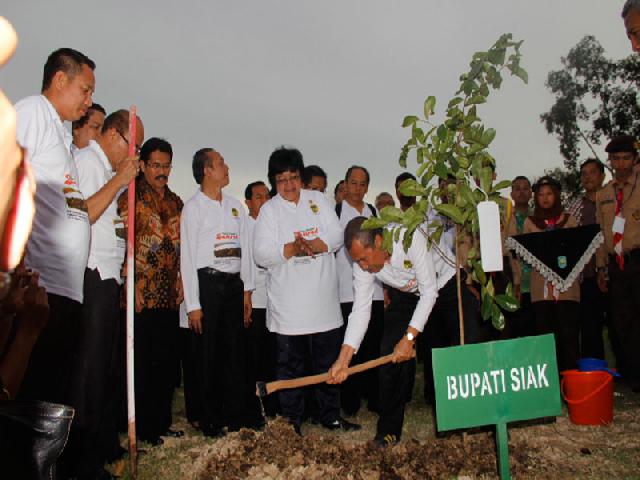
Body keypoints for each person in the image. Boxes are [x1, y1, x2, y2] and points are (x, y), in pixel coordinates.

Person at [253, 146, 359, 435]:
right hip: (289, 308)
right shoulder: (269, 211)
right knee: (291, 368)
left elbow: (337, 234)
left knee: (328, 364)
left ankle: (331, 416)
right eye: (282, 180)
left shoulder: (317, 200)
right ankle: (292, 422)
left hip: (324, 303)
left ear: (301, 177)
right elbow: (260, 253)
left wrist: (317, 245)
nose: (289, 186)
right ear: (274, 182)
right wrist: (290, 249)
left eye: (293, 178)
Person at [15, 48, 95, 408]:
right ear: (60, 80)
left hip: (66, 291)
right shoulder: (32, 112)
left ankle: (48, 466)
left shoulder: (62, 138)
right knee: (30, 395)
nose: (89, 101)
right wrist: (17, 267)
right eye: (86, 89)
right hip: (40, 286)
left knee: (53, 395)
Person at [68, 109, 142, 478]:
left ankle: (93, 453)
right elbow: (81, 213)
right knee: (88, 375)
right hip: (92, 277)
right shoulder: (88, 162)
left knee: (103, 374)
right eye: (135, 146)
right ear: (114, 135)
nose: (136, 158)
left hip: (110, 278)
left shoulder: (107, 171)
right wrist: (119, 183)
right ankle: (78, 461)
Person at [328, 217, 440, 446]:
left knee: (461, 344)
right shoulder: (363, 265)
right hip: (406, 295)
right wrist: (343, 360)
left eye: (364, 259)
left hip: (443, 286)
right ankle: (389, 431)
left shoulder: (409, 238)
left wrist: (409, 338)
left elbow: (430, 292)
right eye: (357, 262)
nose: (364, 267)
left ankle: (483, 422)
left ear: (378, 241)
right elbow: (360, 311)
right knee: (390, 354)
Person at [180, 148, 258, 438]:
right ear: (206, 171)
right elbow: (186, 256)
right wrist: (193, 305)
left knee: (235, 352)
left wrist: (247, 291)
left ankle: (236, 415)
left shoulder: (235, 206)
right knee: (207, 354)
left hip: (233, 286)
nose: (227, 167)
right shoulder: (193, 208)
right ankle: (209, 418)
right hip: (208, 285)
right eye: (221, 163)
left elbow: (246, 251)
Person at [118, 137, 184, 444]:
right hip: (141, 293)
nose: (161, 171)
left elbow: (184, 246)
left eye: (166, 165)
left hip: (169, 294)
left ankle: (161, 422)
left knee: (166, 362)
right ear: (142, 165)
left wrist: (182, 278)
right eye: (156, 164)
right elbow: (121, 244)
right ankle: (142, 427)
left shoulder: (176, 202)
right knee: (141, 363)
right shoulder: (129, 197)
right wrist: (130, 282)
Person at [510, 176, 580, 372]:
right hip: (541, 290)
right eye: (540, 194)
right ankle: (550, 382)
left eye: (549, 193)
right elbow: (521, 254)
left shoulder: (569, 220)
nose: (545, 198)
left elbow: (578, 251)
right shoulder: (530, 224)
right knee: (546, 336)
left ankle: (572, 380)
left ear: (557, 196)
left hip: (567, 287)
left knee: (569, 335)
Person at [335, 166, 383, 415]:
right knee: (350, 345)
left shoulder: (372, 212)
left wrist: (385, 291)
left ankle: (374, 399)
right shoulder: (335, 213)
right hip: (345, 291)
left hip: (373, 289)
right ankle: (350, 403)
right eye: (352, 183)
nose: (357, 188)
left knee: (373, 347)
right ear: (345, 184)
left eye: (362, 184)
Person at [596, 136, 640, 391]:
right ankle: (633, 377)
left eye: (626, 158)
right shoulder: (605, 194)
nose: (621, 163)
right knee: (622, 322)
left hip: (638, 258)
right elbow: (602, 234)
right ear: (610, 162)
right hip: (617, 264)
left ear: (634, 160)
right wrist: (602, 268)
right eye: (616, 158)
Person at [244, 180, 279, 416]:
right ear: (248, 202)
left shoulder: (274, 227)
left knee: (272, 358)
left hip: (274, 303)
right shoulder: (245, 226)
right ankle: (252, 408)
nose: (264, 200)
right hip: (254, 303)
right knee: (252, 358)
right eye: (258, 197)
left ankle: (272, 405)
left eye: (267, 196)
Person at [567, 160, 608, 359]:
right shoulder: (576, 205)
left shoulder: (614, 198)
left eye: (592, 172)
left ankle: (629, 372)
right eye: (584, 174)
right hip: (586, 275)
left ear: (602, 175)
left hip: (616, 269)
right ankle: (594, 371)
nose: (588, 177)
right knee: (590, 325)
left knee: (621, 321)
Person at [504, 175, 535, 338]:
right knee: (515, 330)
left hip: (536, 284)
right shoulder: (506, 217)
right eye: (517, 189)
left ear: (531, 193)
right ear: (512, 194)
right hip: (513, 282)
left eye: (525, 188)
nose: (521, 192)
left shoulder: (539, 217)